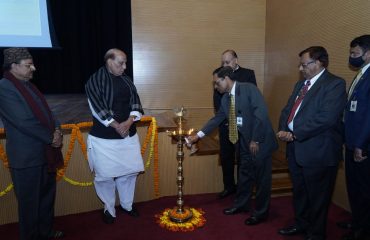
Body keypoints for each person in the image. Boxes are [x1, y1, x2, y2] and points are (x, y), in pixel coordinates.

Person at [188, 66, 277, 225]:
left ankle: (261, 213)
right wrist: (198, 135)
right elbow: (217, 119)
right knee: (244, 175)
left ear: (226, 79)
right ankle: (241, 205)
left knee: (262, 180)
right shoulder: (226, 99)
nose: (215, 87)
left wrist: (255, 139)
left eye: (217, 83)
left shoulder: (249, 89)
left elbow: (261, 114)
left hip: (259, 141)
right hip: (243, 142)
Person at [277, 46, 346, 240]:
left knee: (318, 197)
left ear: (318, 63)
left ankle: (316, 234)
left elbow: (326, 118)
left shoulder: (334, 84)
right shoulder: (300, 85)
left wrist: (295, 134)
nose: (300, 68)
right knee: (299, 192)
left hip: (319, 151)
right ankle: (301, 224)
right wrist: (283, 128)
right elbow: (287, 110)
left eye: (304, 64)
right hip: (296, 149)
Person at [0, 48, 64, 239]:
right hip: (27, 158)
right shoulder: (4, 87)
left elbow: (49, 114)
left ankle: (46, 232)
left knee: (46, 199)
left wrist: (58, 130)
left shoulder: (28, 85)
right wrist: (51, 138)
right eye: (28, 65)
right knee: (29, 205)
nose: (33, 68)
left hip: (45, 154)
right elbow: (23, 121)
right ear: (14, 66)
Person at [85, 48, 144, 224]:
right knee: (105, 176)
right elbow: (97, 108)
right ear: (109, 61)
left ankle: (127, 205)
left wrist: (129, 122)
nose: (124, 67)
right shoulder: (94, 81)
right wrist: (116, 125)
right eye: (121, 63)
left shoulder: (126, 81)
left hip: (128, 135)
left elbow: (136, 102)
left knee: (129, 173)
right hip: (104, 139)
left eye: (125, 62)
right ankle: (109, 208)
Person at [214, 50, 257, 199]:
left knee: (242, 157)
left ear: (236, 60)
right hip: (226, 123)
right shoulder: (218, 74)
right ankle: (228, 186)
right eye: (223, 62)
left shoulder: (248, 74)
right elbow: (218, 100)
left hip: (242, 126)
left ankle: (242, 187)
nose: (225, 65)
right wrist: (224, 119)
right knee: (226, 157)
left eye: (227, 62)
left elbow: (251, 103)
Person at [341, 35, 370, 240]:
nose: (351, 57)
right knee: (354, 187)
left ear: (368, 54)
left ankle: (363, 231)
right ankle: (357, 220)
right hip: (351, 142)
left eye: (355, 54)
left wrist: (361, 144)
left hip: (362, 145)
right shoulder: (361, 74)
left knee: (364, 190)